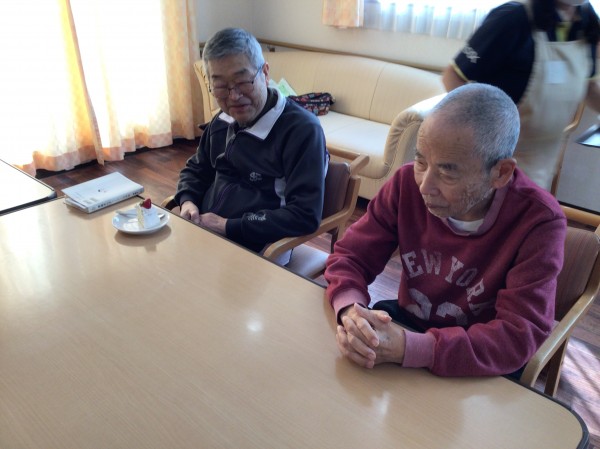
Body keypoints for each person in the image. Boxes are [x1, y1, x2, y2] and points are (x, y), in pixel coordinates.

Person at [324, 83, 567, 377]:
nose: (424, 186)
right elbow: (351, 256)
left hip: (479, 356)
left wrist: (411, 348)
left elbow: (517, 335)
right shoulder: (405, 183)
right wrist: (351, 310)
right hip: (410, 325)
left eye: (447, 171)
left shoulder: (539, 221)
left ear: (501, 173)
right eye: (420, 161)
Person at [174, 28, 328, 258]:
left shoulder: (301, 130)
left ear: (265, 73)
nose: (234, 96)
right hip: (203, 233)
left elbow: (304, 215)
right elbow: (197, 168)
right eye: (220, 86)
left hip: (259, 249)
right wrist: (188, 202)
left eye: (243, 82)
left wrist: (226, 226)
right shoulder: (222, 120)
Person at [442, 0, 600, 191]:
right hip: (495, 157)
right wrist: (480, 131)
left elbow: (589, 87)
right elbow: (453, 77)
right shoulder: (513, 17)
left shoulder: (586, 22)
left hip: (543, 160)